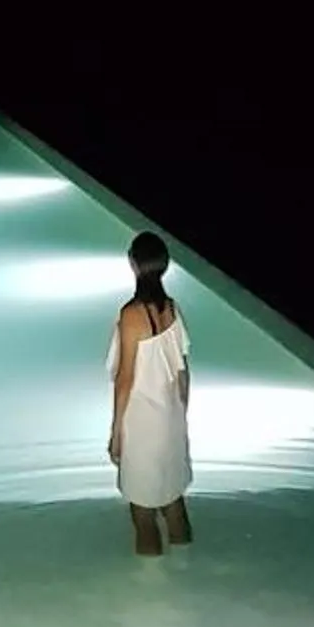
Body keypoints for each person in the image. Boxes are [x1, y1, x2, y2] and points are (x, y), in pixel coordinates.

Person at [106, 228, 192, 556]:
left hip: (143, 421)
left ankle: (151, 589)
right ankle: (187, 569)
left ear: (133, 264)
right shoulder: (171, 308)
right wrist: (181, 414)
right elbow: (183, 371)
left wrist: (116, 432)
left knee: (142, 511)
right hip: (170, 416)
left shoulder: (132, 315)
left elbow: (125, 379)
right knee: (172, 500)